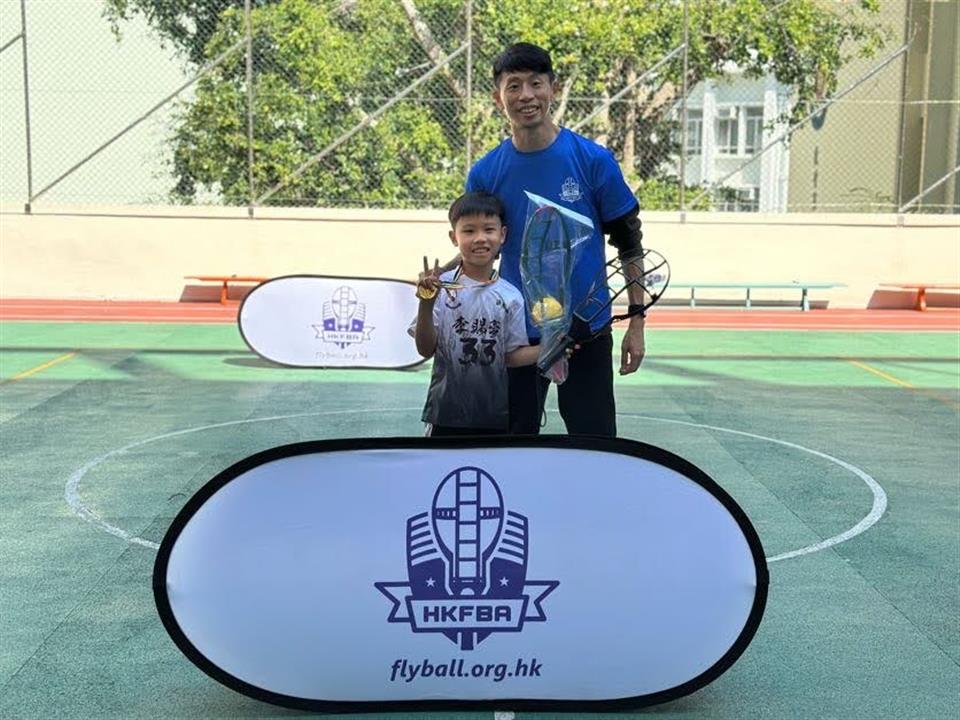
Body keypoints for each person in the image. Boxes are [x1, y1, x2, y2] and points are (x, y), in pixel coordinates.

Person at [465, 42, 646, 438]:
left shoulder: (593, 160)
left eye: (536, 83)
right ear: (498, 98)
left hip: (585, 330)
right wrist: (441, 289)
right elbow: (477, 254)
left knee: (594, 446)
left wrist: (637, 322)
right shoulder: (485, 173)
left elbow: (629, 241)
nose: (526, 95)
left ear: (554, 88)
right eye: (514, 86)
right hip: (516, 336)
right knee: (508, 446)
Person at [413, 191, 539, 436]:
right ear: (454, 237)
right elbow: (425, 349)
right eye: (469, 231)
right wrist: (426, 304)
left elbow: (510, 356)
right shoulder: (441, 287)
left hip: (493, 416)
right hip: (445, 414)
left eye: (489, 229)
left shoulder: (511, 295)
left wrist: (551, 348)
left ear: (502, 234)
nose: (480, 238)